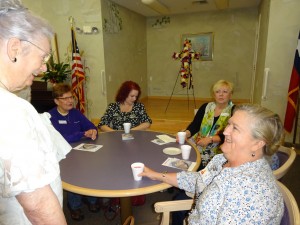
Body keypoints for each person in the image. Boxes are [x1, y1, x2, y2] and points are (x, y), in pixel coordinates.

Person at [141, 104, 284, 224]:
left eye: (235, 128)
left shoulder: (252, 194)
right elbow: (199, 180)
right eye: (229, 124)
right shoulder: (222, 160)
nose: (225, 131)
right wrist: (158, 175)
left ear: (257, 144)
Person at [0, 1, 68, 224]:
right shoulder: (12, 110)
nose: (45, 69)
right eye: (44, 57)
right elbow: (38, 205)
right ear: (15, 49)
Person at [48, 83, 99, 221]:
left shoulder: (75, 113)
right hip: (62, 155)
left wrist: (93, 130)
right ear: (56, 101)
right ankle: (74, 206)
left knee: (91, 168)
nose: (70, 101)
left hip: (81, 151)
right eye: (65, 98)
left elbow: (91, 126)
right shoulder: (50, 117)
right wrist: (82, 134)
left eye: (71, 97)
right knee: (74, 174)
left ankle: (92, 199)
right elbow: (59, 140)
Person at [180, 79, 235, 170]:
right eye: (218, 92)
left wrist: (210, 139)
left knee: (200, 168)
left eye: (225, 92)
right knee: (182, 160)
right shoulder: (206, 106)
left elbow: (232, 134)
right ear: (214, 94)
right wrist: (186, 133)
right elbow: (195, 124)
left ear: (230, 95)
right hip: (199, 141)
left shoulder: (234, 111)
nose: (221, 94)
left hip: (220, 147)